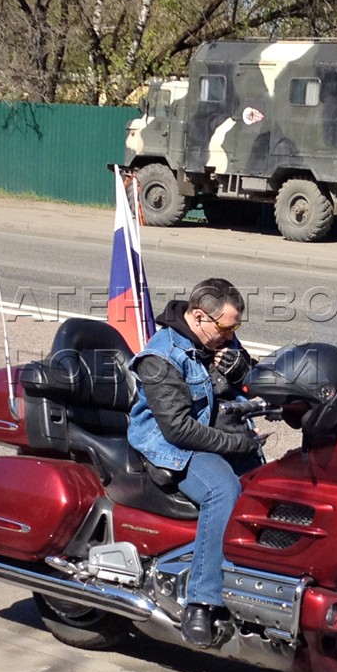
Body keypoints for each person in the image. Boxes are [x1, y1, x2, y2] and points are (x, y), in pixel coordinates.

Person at [127, 277, 263, 646]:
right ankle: (201, 602)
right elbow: (179, 430)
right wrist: (237, 444)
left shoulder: (218, 337)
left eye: (236, 328)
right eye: (227, 327)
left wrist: (245, 372)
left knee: (269, 487)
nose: (231, 334)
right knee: (222, 490)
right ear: (200, 317)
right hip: (172, 446)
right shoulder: (161, 357)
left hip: (215, 436)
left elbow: (251, 382)